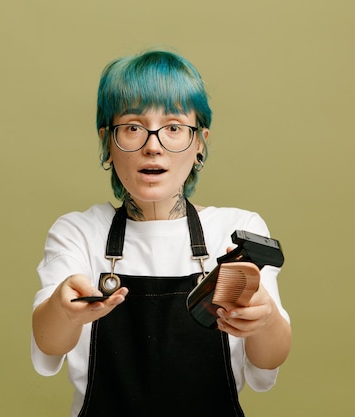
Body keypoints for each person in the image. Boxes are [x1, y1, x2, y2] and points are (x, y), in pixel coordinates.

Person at [31, 49, 292, 417]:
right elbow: (48, 344)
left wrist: (264, 321)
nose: (152, 146)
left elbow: (267, 363)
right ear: (108, 142)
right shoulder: (78, 233)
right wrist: (64, 310)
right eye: (133, 127)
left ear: (199, 143)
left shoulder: (237, 232)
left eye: (173, 128)